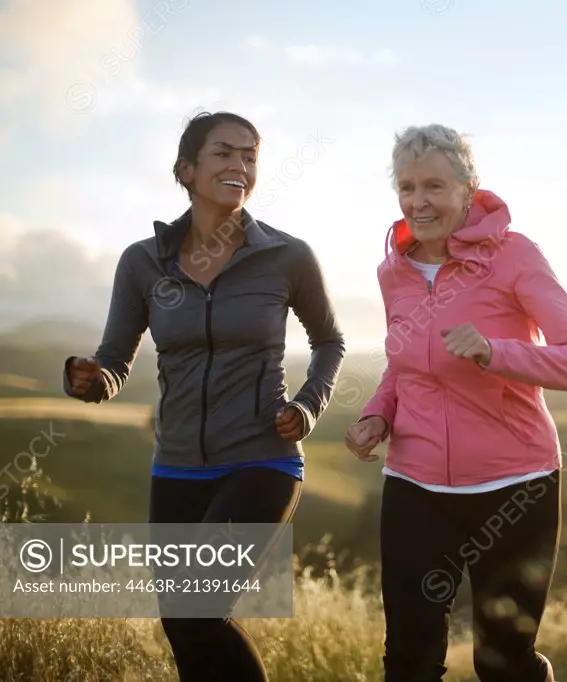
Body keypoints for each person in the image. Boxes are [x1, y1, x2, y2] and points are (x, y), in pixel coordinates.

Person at [63, 110, 345, 681]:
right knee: (183, 626)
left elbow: (329, 341)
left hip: (261, 458)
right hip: (177, 468)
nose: (240, 165)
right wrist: (91, 378)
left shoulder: (287, 256)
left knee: (197, 608)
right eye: (224, 153)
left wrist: (309, 404)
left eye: (250, 156)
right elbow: (115, 358)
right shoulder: (143, 262)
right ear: (186, 170)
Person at [345, 123, 567, 682]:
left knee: (503, 661)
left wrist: (494, 353)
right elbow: (404, 364)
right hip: (414, 483)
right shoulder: (394, 272)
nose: (419, 201)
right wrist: (377, 413)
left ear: (469, 188)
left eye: (434, 186)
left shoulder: (515, 256)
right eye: (407, 187)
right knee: (408, 658)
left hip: (514, 483)